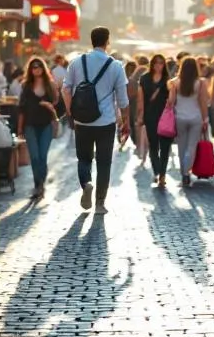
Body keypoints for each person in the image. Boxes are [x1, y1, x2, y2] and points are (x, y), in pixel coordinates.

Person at [62, 27, 129, 212]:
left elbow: (66, 89)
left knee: (83, 158)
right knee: (104, 161)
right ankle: (100, 203)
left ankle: (86, 184)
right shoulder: (115, 66)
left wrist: (70, 111)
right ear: (108, 41)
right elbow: (123, 99)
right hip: (106, 121)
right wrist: (126, 121)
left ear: (91, 40)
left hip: (82, 121)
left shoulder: (77, 62)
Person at [16, 57, 58, 200]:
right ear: (30, 69)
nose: (36, 69)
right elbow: (21, 108)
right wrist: (20, 129)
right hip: (30, 125)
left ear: (43, 68)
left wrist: (50, 106)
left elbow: (58, 104)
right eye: (34, 67)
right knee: (34, 157)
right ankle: (37, 185)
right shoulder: (26, 85)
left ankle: (40, 186)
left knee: (42, 156)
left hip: (46, 125)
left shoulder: (49, 84)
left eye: (39, 66)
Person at [168, 56, 209, 187]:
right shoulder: (201, 82)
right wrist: (205, 118)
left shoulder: (174, 82)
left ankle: (184, 174)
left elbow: (171, 102)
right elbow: (203, 102)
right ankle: (187, 170)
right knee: (192, 146)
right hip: (195, 118)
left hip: (179, 117)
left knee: (181, 146)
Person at [139, 54, 172, 187]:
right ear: (152, 64)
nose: (158, 65)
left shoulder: (168, 80)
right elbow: (141, 99)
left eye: (161, 63)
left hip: (165, 117)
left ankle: (162, 175)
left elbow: (172, 99)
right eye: (156, 63)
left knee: (165, 146)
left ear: (164, 65)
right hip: (150, 116)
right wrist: (140, 116)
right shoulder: (144, 79)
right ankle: (157, 171)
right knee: (153, 145)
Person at [123, 60, 141, 150]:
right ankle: (135, 142)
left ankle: (125, 139)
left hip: (127, 103)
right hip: (132, 103)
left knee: (127, 122)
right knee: (132, 122)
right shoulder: (136, 80)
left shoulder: (124, 79)